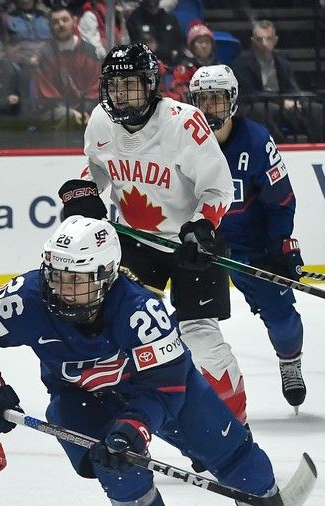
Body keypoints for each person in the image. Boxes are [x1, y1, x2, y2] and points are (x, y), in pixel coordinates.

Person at [0, 215, 325, 506]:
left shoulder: (141, 312)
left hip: (162, 390)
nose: (63, 289)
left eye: (77, 280)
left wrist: (136, 426)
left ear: (107, 275)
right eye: (57, 275)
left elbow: (164, 387)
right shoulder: (27, 297)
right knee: (122, 473)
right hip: (82, 399)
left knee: (241, 460)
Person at [60, 43, 246, 425]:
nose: (122, 94)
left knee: (201, 338)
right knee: (125, 334)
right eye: (114, 85)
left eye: (131, 84)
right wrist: (85, 192)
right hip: (135, 241)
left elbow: (218, 188)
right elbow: (96, 168)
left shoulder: (184, 122)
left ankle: (234, 428)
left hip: (193, 243)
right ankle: (139, 423)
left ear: (151, 85)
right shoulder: (99, 121)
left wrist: (203, 227)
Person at [187, 65, 307, 410]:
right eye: (202, 99)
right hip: (202, 245)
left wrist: (278, 245)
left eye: (217, 98)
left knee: (283, 320)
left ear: (232, 100)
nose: (210, 107)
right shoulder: (182, 141)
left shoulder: (255, 141)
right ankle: (200, 393)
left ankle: (290, 362)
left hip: (253, 246)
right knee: (189, 324)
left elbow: (280, 199)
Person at [231, 19, 323, 143]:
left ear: (275, 40)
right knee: (266, 110)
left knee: (315, 109)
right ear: (253, 41)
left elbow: (291, 87)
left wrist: (299, 101)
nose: (264, 43)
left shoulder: (283, 63)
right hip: (255, 105)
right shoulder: (241, 63)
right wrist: (280, 101)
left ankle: (318, 145)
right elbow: (250, 93)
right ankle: (280, 146)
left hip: (282, 102)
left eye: (268, 39)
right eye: (260, 39)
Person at [32, 6, 100, 130]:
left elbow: (95, 88)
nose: (61, 24)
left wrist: (87, 112)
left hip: (88, 110)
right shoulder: (45, 55)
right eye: (55, 22)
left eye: (65, 20)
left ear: (74, 21)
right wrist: (75, 114)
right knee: (65, 115)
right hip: (55, 112)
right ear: (50, 26)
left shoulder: (90, 52)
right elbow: (48, 97)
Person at [126, 0, 183, 68]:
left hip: (173, 70)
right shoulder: (134, 20)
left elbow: (181, 47)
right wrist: (170, 53)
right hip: (146, 68)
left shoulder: (170, 19)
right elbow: (145, 51)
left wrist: (159, 51)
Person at [168, 21, 216, 102]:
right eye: (200, 42)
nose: (204, 46)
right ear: (192, 46)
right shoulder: (185, 68)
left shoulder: (219, 66)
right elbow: (178, 91)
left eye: (207, 42)